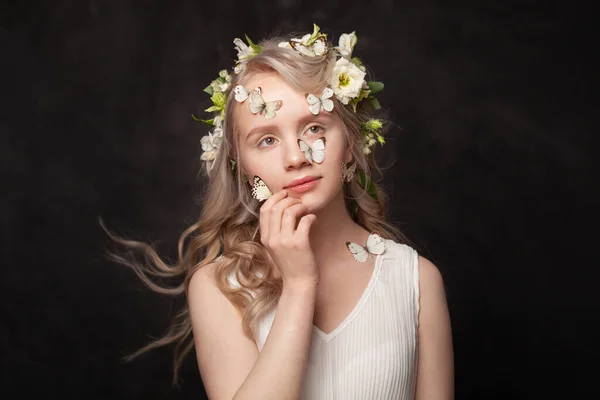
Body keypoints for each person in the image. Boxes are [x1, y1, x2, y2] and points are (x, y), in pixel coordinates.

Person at [103, 24, 453, 399]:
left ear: (350, 144)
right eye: (267, 140)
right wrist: (300, 286)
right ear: (243, 167)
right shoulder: (221, 288)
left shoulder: (416, 280)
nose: (296, 157)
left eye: (315, 127)